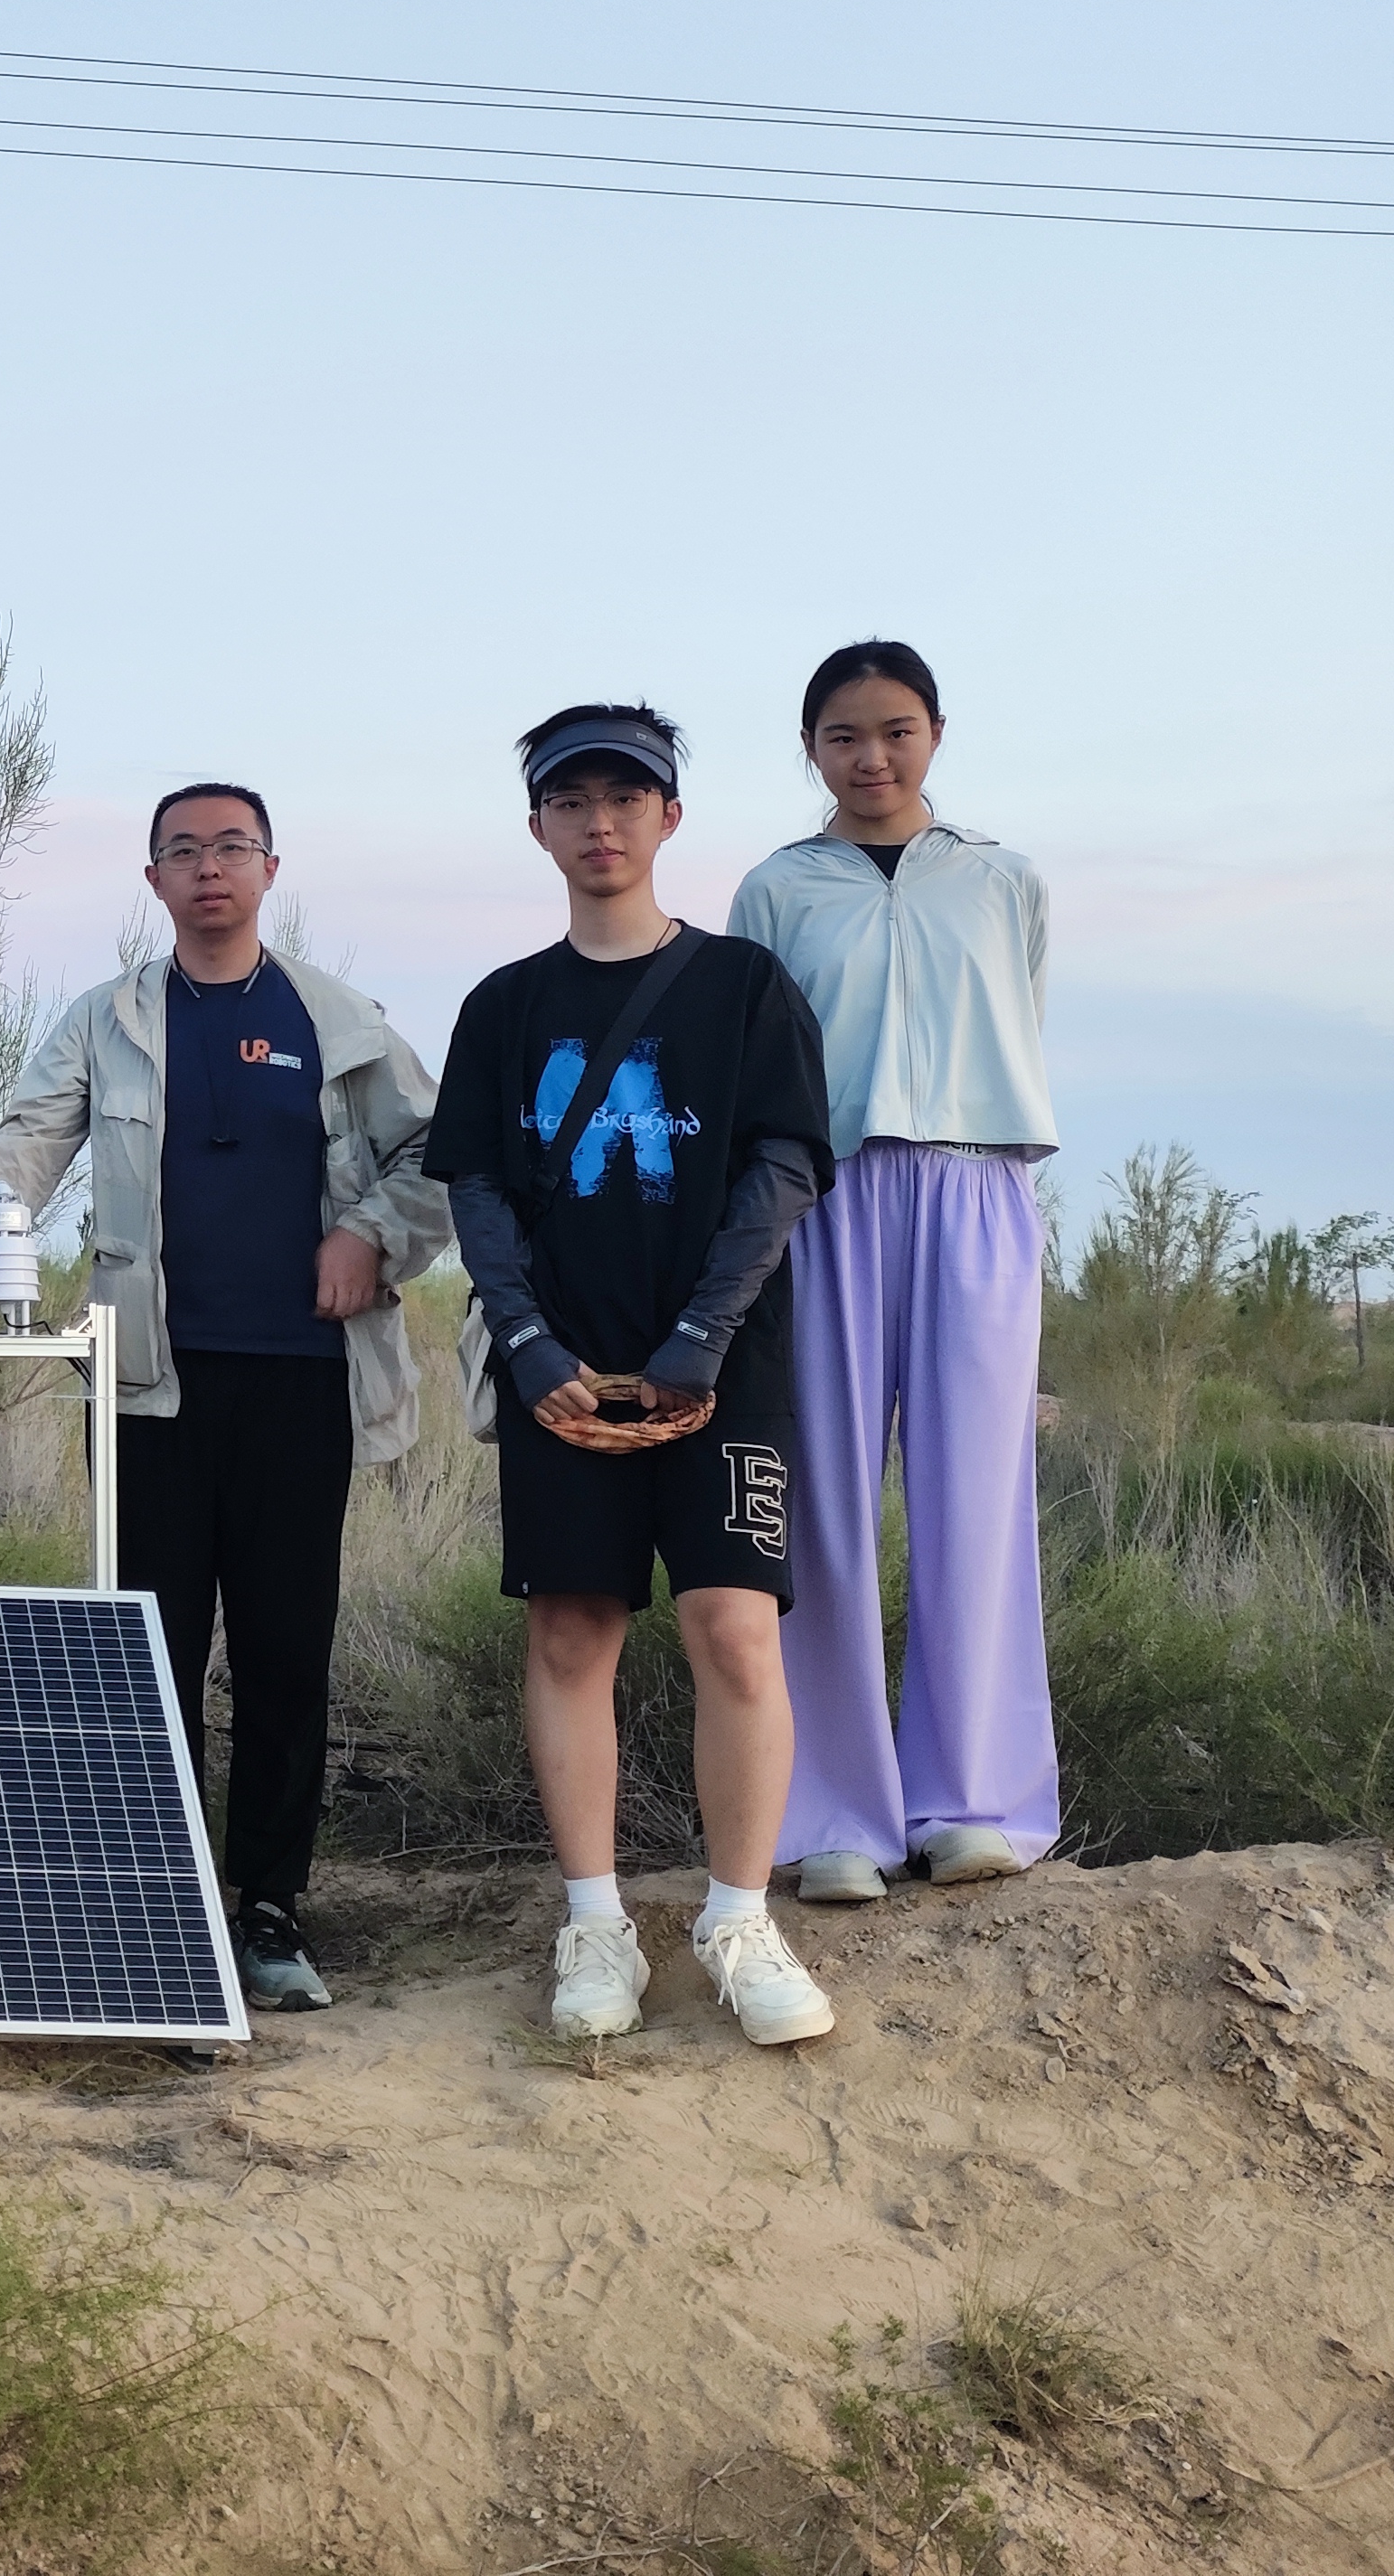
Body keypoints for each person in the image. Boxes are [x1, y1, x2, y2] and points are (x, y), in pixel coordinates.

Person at [0, 782, 448, 2014]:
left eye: (233, 848)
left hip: (302, 1385)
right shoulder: (107, 1022)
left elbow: (438, 1154)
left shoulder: (340, 1020)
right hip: (146, 1383)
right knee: (148, 1651)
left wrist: (369, 1233)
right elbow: (20, 1154)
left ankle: (268, 1909)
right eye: (184, 852)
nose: (210, 869)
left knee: (281, 1654)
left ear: (269, 870)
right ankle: (151, 1901)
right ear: (153, 881)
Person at [427, 712, 843, 2052]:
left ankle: (735, 1916)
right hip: (563, 1374)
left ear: (670, 818)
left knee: (735, 1628)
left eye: (627, 796)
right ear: (539, 827)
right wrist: (530, 1349)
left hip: (724, 1371)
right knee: (571, 1634)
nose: (600, 821)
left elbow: (781, 1169)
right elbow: (479, 1190)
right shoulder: (503, 1006)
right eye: (571, 800)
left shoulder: (744, 987)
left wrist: (701, 1339)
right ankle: (596, 1922)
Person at [726, 643, 1059, 1904]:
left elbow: (1018, 1015)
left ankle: (974, 1801)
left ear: (935, 734)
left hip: (978, 1185)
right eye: (846, 736)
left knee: (978, 1493)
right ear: (812, 749)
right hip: (825, 1195)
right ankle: (833, 1815)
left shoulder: (1002, 880)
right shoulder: (778, 890)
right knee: (822, 1505)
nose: (874, 757)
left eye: (898, 730)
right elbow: (758, 1061)